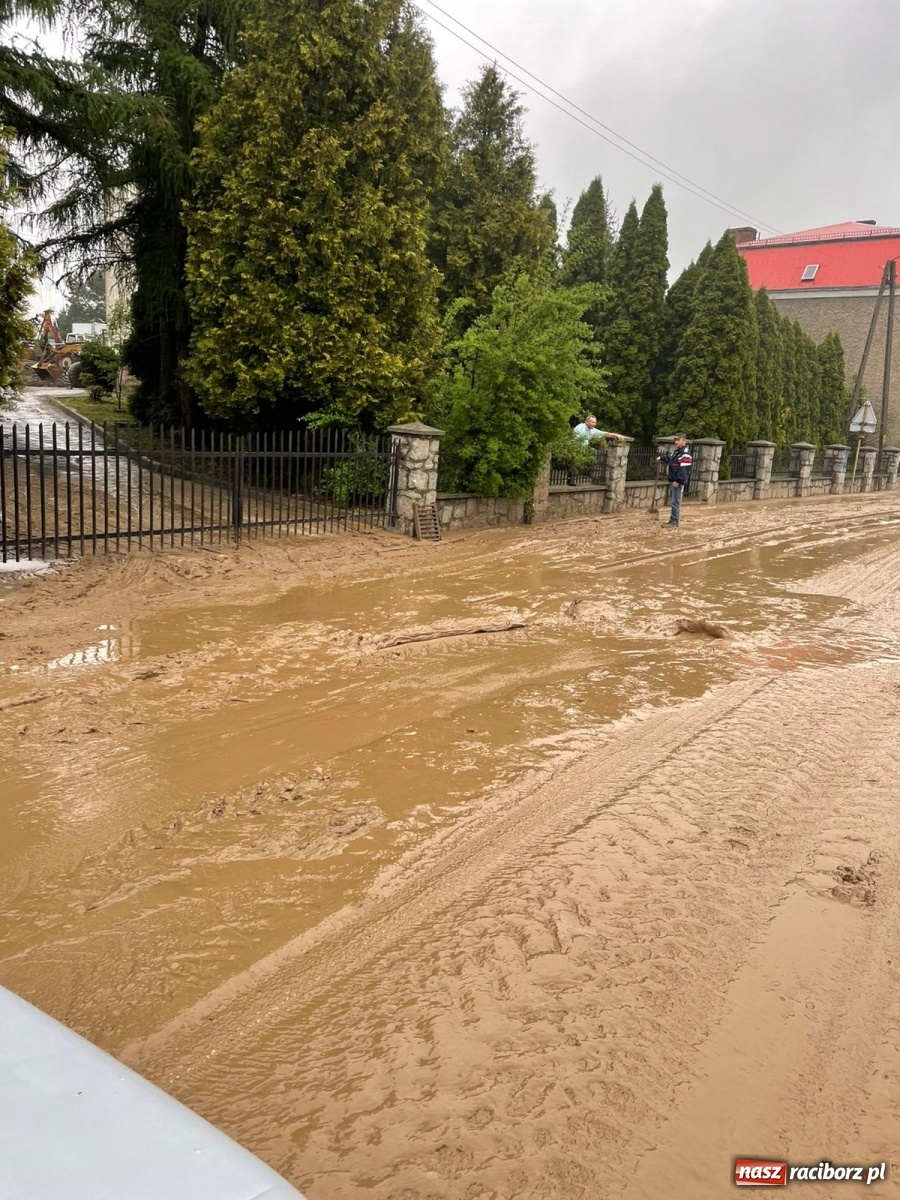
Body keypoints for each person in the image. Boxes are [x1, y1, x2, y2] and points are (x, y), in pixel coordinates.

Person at [656, 433, 692, 528]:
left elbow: (684, 470)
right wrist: (662, 458)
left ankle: (674, 522)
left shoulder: (685, 454)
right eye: (675, 440)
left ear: (683, 441)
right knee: (674, 501)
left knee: (675, 502)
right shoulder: (677, 452)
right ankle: (673, 520)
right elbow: (671, 459)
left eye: (678, 440)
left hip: (677, 482)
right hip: (674, 480)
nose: (675, 442)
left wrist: (678, 481)